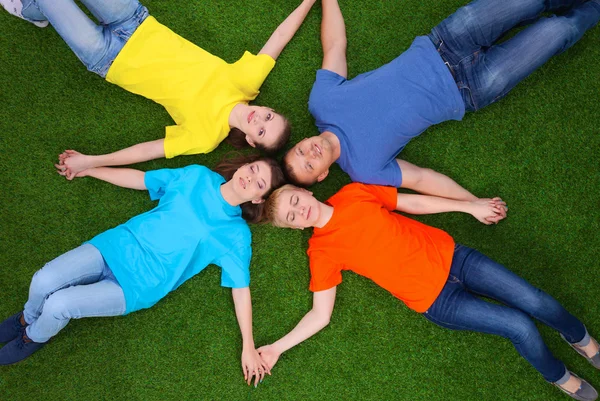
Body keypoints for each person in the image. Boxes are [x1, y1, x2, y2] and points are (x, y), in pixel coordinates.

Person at [259, 183, 600, 400]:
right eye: (292, 217)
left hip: (457, 258)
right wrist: (276, 347)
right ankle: (558, 376)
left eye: (294, 200)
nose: (298, 210)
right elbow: (321, 314)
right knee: (520, 326)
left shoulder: (353, 193)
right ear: (297, 226)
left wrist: (468, 206)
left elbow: (412, 204)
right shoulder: (320, 252)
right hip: (439, 302)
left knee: (535, 300)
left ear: (303, 191)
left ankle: (580, 337)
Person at [0, 154, 285, 387]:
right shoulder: (198, 176)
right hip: (115, 246)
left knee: (59, 305)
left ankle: (33, 337)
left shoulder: (236, 235)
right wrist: (89, 166)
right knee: (42, 280)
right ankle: (26, 318)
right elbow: (143, 180)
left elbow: (240, 287)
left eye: (259, 184)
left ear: (258, 199)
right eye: (253, 168)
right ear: (244, 165)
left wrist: (248, 344)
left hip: (138, 286)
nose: (250, 178)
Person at [283, 0, 600, 200]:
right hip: (471, 88)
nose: (309, 152)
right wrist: (470, 204)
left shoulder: (322, 102)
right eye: (310, 164)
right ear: (322, 174)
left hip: (446, 40)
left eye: (300, 150)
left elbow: (336, 46)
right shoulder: (364, 170)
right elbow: (421, 178)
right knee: (560, 29)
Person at [0, 0, 317, 179]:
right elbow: (278, 40)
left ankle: (29, 9)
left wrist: (91, 162)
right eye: (268, 117)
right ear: (266, 108)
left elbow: (147, 150)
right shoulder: (245, 83)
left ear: (250, 140)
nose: (258, 121)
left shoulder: (206, 137)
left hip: (106, 57)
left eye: (261, 132)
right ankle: (36, 10)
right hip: (133, 20)